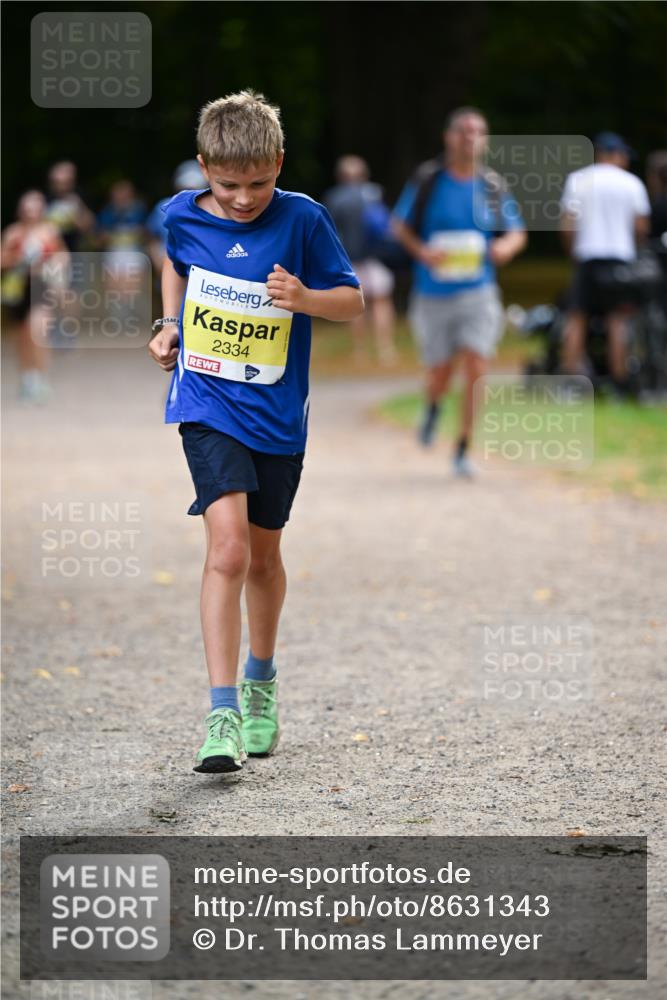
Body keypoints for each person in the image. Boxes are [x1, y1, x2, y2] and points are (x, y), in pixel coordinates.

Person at [148, 90, 363, 774]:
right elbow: (174, 262)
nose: (243, 199)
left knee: (264, 558)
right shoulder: (178, 214)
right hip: (206, 401)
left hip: (276, 413)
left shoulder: (303, 219)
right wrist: (169, 325)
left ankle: (260, 682)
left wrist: (304, 299)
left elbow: (352, 301)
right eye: (228, 184)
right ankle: (221, 714)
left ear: (278, 162)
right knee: (229, 551)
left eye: (259, 182)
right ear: (204, 167)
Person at [392, 107, 527, 476]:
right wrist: (423, 252)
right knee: (440, 370)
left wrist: (505, 248)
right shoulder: (428, 180)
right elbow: (399, 226)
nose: (471, 138)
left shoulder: (493, 185)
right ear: (449, 137)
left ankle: (464, 447)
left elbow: (516, 231)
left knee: (477, 363)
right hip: (433, 292)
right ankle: (433, 406)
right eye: (464, 131)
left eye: (478, 132)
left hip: (478, 291)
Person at [560, 132, 651, 395]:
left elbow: (568, 224)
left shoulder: (578, 180)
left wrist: (573, 252)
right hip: (619, 258)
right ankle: (619, 383)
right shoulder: (632, 183)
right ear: (617, 154)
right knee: (617, 321)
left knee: (577, 318)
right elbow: (641, 226)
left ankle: (570, 381)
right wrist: (635, 250)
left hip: (587, 256)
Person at [323, 156, 398, 365]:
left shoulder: (335, 198)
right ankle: (386, 349)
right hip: (374, 259)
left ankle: (360, 351)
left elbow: (330, 231)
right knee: (382, 301)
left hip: (349, 261)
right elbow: (386, 226)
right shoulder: (374, 193)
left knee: (357, 305)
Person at [1, 190, 69, 403]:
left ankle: (41, 378)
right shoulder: (13, 233)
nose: (31, 212)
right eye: (27, 207)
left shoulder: (49, 231)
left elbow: (62, 256)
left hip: (41, 287)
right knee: (22, 337)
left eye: (36, 207)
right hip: (16, 288)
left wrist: (55, 272)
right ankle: (27, 378)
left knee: (38, 331)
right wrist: (17, 258)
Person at [146, 159, 207, 275]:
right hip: (167, 270)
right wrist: (160, 264)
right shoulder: (163, 207)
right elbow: (151, 238)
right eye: (186, 188)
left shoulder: (211, 210)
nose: (189, 194)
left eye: (195, 189)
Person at [45, 160, 95, 253]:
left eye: (66, 182)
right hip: (50, 250)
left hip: (74, 249)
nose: (61, 187)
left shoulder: (79, 197)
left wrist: (78, 209)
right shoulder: (46, 199)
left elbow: (89, 227)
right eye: (57, 182)